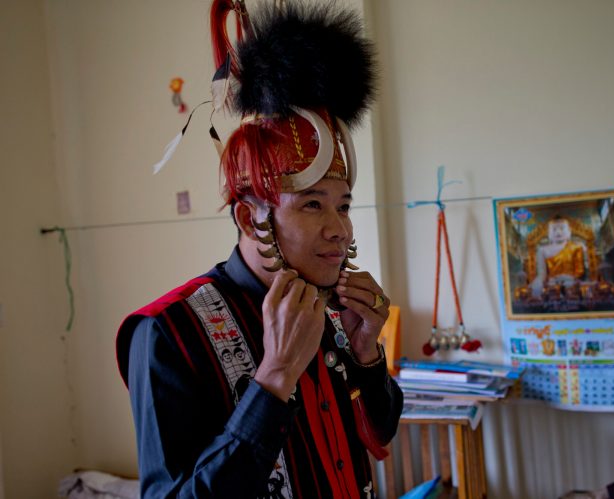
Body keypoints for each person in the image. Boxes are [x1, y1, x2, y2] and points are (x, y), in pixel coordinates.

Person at [115, 1, 403, 497]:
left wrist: (368, 356)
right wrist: (273, 379)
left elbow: (380, 434)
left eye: (345, 205)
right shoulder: (169, 333)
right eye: (313, 205)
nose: (341, 230)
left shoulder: (334, 307)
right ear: (250, 216)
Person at [531, 216, 587, 297]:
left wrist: (568, 278)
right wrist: (538, 282)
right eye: (554, 229)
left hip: (571, 282)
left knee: (571, 288)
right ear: (548, 233)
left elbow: (580, 271)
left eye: (562, 228)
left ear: (569, 231)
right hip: (552, 283)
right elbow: (542, 274)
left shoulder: (576, 247)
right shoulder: (542, 250)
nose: (558, 232)